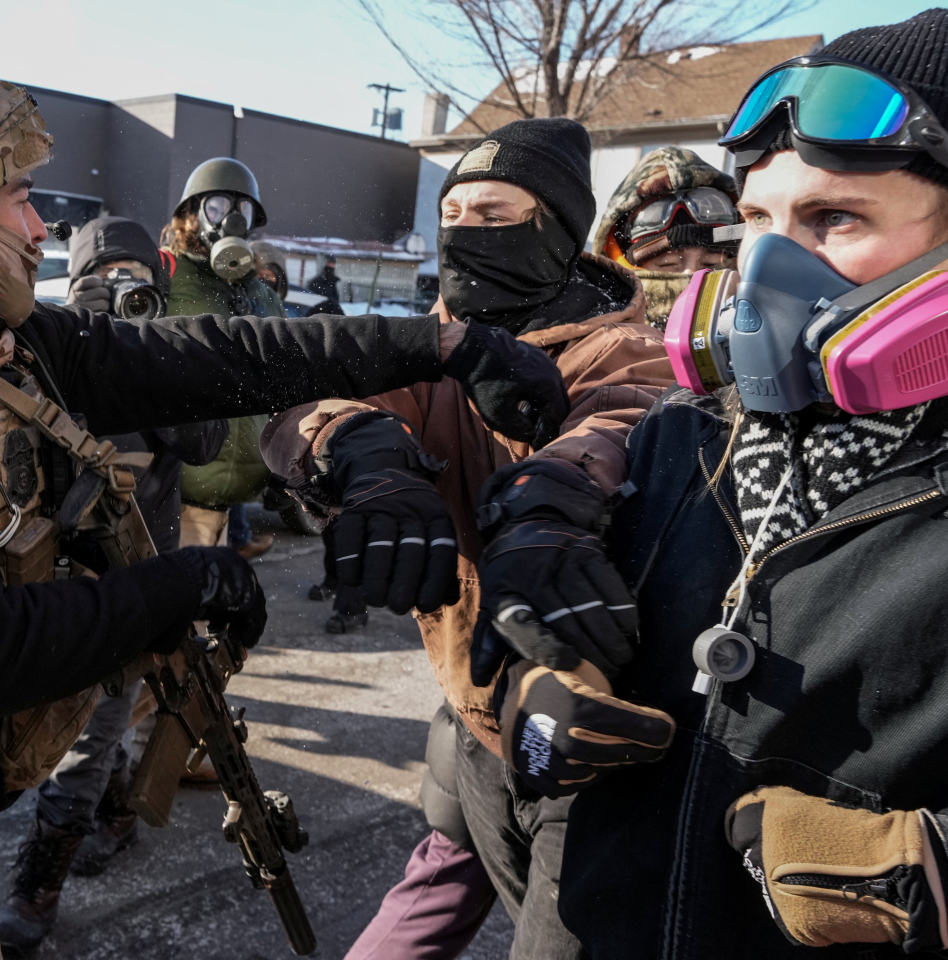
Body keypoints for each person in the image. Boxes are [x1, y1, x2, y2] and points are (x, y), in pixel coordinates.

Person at [0, 55, 561, 960]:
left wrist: (440, 344)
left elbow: (211, 353)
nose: (41, 227)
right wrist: (184, 583)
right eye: (21, 197)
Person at [477, 11, 948, 958]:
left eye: (835, 219)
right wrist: (535, 685)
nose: (767, 269)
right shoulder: (680, 439)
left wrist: (926, 869)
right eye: (760, 221)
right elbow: (540, 637)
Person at [263, 117, 675, 960]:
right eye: (451, 215)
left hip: (584, 730)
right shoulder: (438, 339)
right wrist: (357, 449)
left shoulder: (621, 347)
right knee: (423, 903)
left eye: (493, 216)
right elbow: (317, 402)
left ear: (555, 230)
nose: (463, 235)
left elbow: (625, 418)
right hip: (470, 713)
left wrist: (550, 495)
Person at [0, 215, 229, 956]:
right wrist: (79, 339)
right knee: (72, 723)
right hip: (50, 580)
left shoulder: (158, 349)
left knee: (90, 736)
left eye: (137, 278)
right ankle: (116, 814)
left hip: (137, 579)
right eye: (108, 277)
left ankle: (37, 888)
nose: (124, 290)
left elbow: (204, 445)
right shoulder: (43, 348)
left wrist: (166, 359)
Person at [165, 157, 283, 560]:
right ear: (191, 215)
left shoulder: (263, 295)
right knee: (179, 606)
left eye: (242, 208)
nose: (231, 218)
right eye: (217, 206)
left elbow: (285, 378)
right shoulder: (165, 276)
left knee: (213, 607)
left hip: (231, 500)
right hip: (173, 491)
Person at [591, 147, 741, 328]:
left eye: (709, 264)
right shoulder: (599, 342)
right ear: (625, 267)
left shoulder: (759, 331)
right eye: (668, 265)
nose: (691, 275)